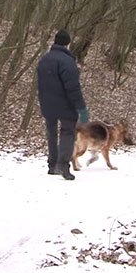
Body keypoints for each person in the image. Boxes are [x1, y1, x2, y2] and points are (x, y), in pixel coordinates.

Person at [36, 29, 89, 180]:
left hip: (47, 103)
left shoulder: (44, 59)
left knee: (51, 133)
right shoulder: (67, 61)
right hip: (65, 104)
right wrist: (81, 108)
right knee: (67, 133)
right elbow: (73, 87)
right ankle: (63, 165)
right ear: (67, 44)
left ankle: (52, 165)